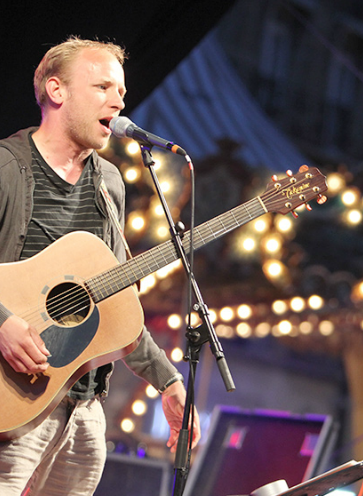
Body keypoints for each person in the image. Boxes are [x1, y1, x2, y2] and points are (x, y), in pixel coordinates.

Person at [0, 37, 201, 495]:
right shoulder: (6, 168)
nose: (119, 101)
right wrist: (4, 323)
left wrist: (167, 380)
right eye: (103, 87)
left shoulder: (109, 183)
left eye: (122, 92)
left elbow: (110, 300)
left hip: (84, 413)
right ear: (57, 91)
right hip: (9, 404)